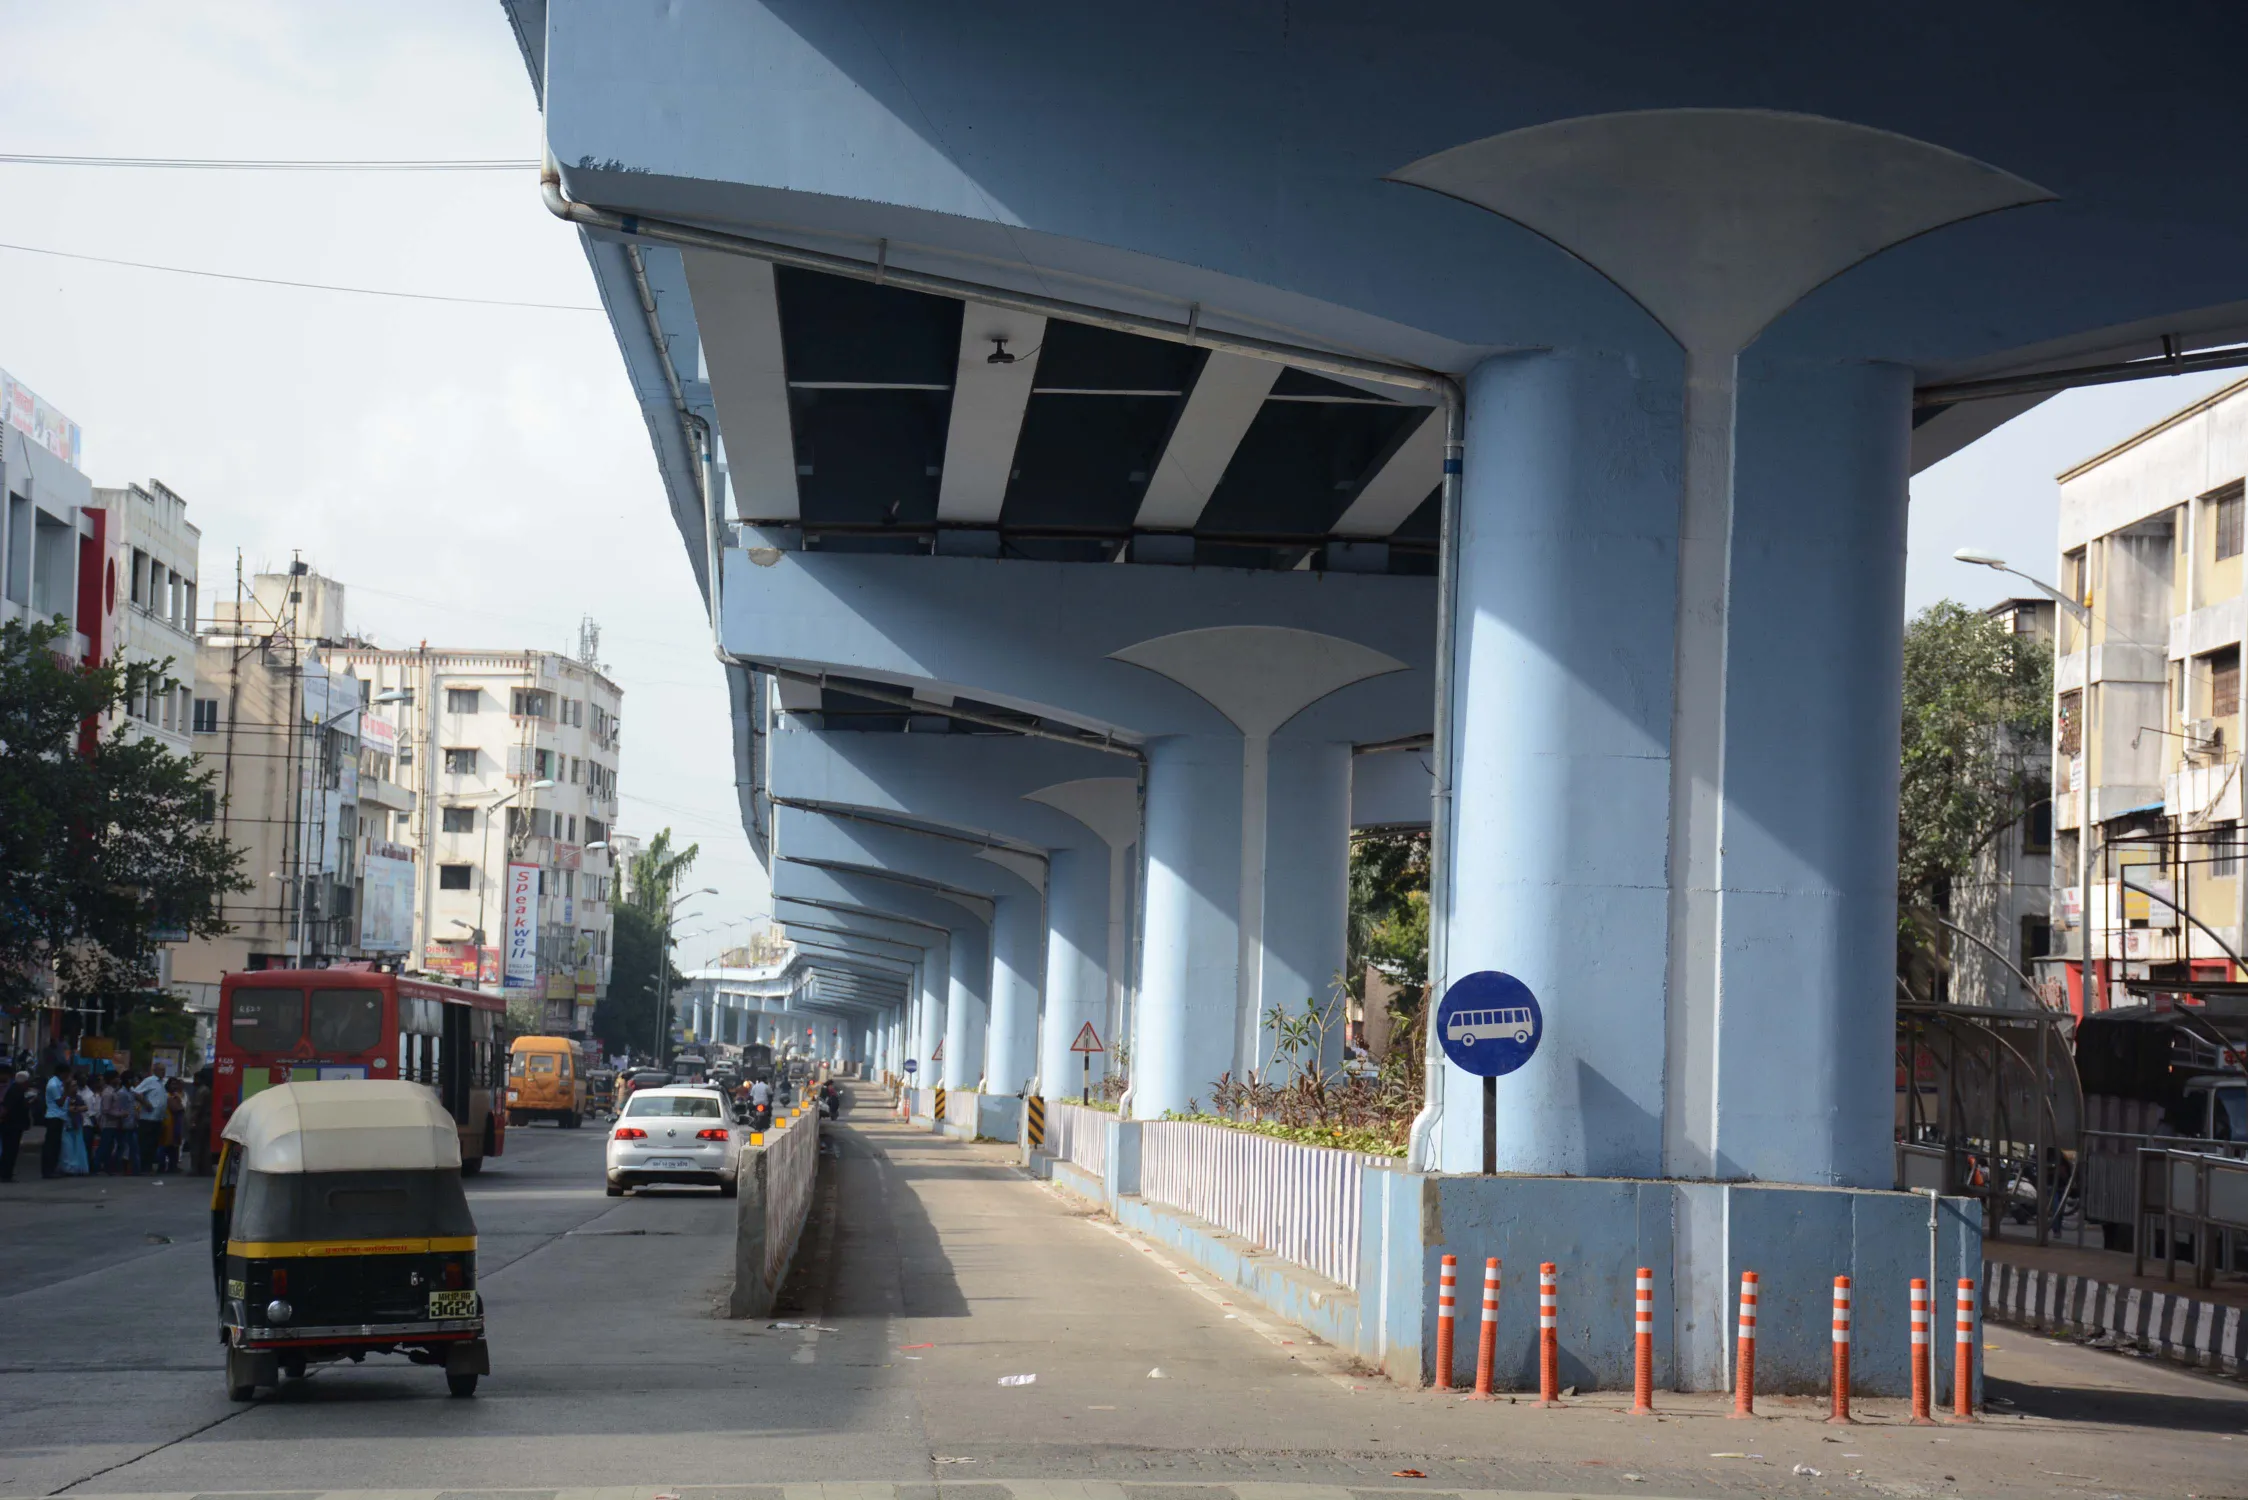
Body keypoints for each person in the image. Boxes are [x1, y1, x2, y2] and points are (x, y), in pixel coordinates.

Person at [134, 1065, 168, 1172]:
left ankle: (148, 1166)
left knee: (153, 1144)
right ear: (155, 1070)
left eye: (164, 1070)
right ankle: (144, 1167)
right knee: (146, 1144)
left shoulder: (162, 1083)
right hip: (148, 1119)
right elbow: (136, 1092)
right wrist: (145, 1103)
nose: (163, 1072)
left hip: (158, 1119)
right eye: (161, 1070)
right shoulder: (150, 1080)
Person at [58, 1074, 90, 1177]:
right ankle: (68, 1168)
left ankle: (79, 1168)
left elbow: (85, 1107)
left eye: (76, 1085)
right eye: (73, 1086)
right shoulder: (64, 1098)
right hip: (67, 1125)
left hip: (76, 1124)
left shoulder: (78, 1097)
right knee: (68, 1148)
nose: (75, 1088)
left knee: (78, 1147)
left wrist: (76, 1109)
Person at [0, 1070, 30, 1182]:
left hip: (14, 1125)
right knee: (10, 1150)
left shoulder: (17, 1090)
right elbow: (8, 1108)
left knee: (10, 1149)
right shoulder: (15, 1091)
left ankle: (7, 1172)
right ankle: (6, 1173)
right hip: (12, 1125)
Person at [40, 1068, 67, 1179]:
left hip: (59, 1116)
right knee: (51, 1145)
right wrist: (67, 1090)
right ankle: (48, 1170)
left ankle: (52, 1168)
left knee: (56, 1145)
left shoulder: (58, 1083)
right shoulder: (54, 1084)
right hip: (54, 1116)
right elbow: (60, 1102)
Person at [186, 1067, 214, 1175]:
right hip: (207, 1120)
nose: (194, 1081)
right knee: (205, 1146)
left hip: (200, 1121)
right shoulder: (209, 1089)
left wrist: (192, 1121)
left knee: (196, 1146)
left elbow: (197, 1107)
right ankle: (206, 1169)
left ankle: (195, 1169)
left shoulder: (202, 1090)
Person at [160, 1078, 186, 1173]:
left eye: (176, 1084)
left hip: (175, 1123)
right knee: (166, 1146)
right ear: (168, 1085)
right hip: (168, 1124)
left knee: (174, 1146)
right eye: (172, 1084)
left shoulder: (175, 1096)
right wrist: (179, 1104)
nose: (174, 1086)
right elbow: (177, 1108)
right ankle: (162, 1167)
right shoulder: (168, 1096)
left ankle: (173, 1166)